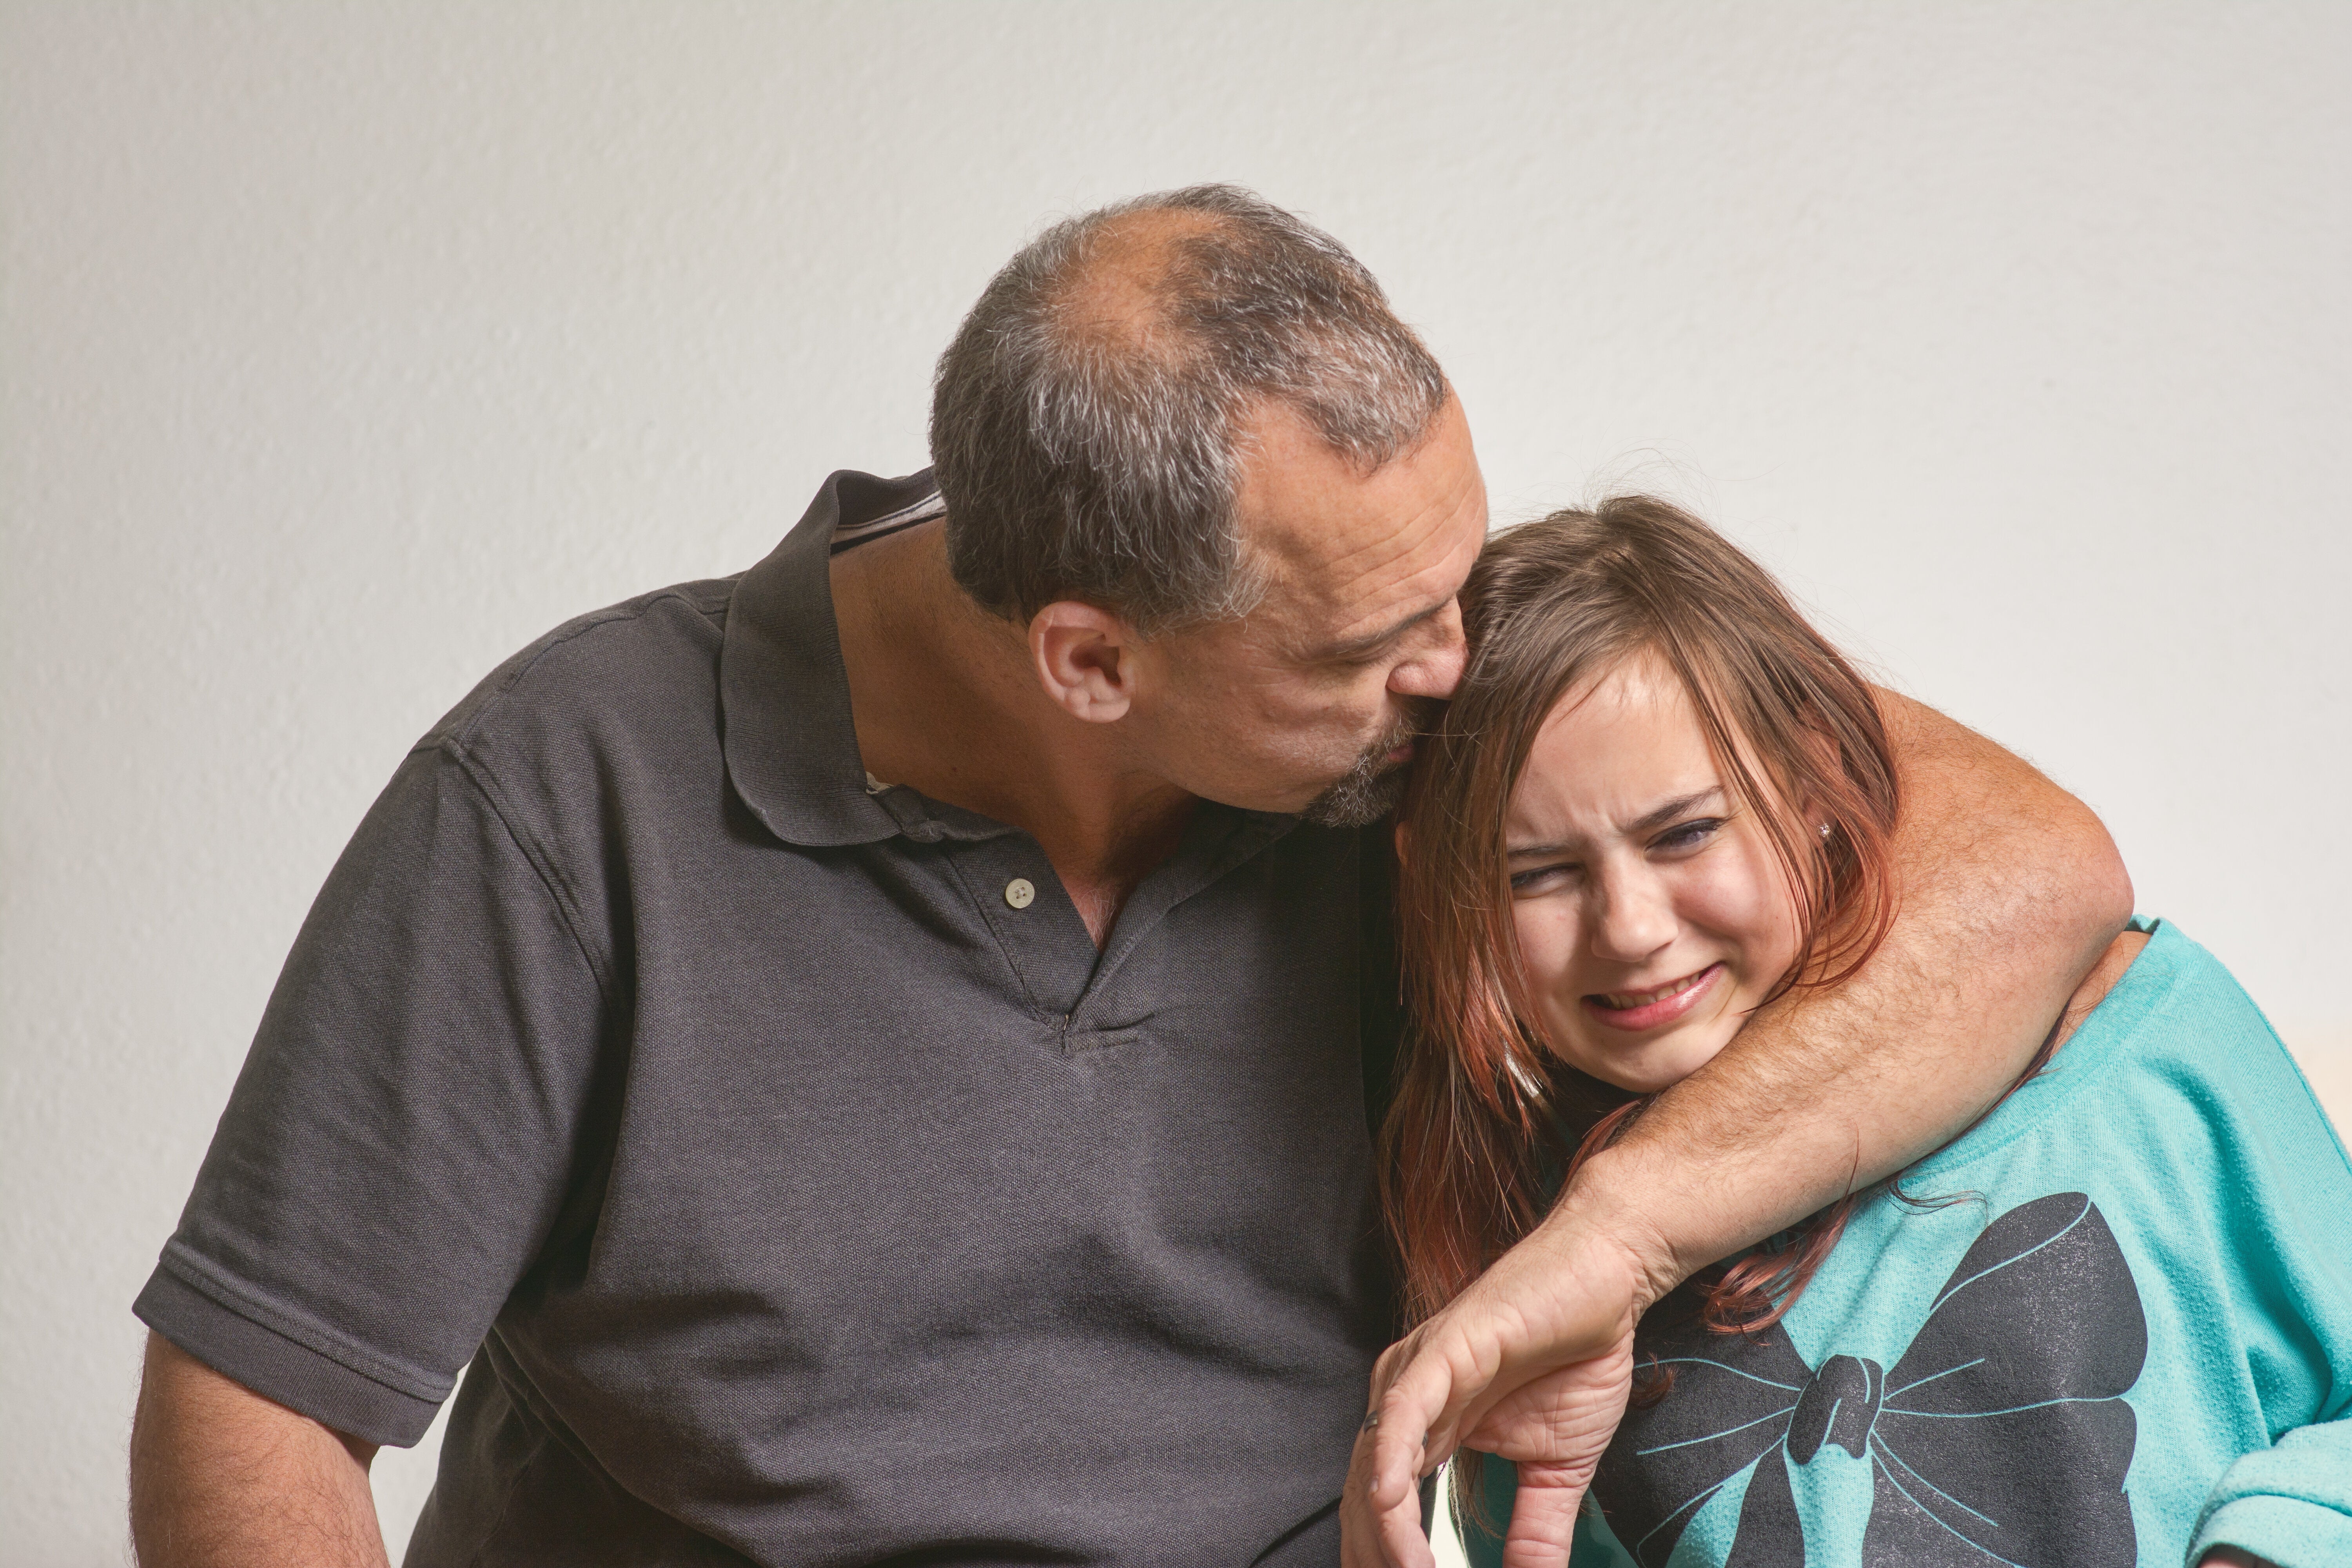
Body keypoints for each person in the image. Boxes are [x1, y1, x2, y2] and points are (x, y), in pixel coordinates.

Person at [127, 187, 2129, 1567]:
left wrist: (1612, 1236)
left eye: (1459, 579)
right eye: (1381, 645)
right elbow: (256, 1408)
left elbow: (2033, 864)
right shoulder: (567, 798)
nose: (1461, 670)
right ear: (1093, 662)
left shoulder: (1413, 701)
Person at [1355, 497, 2351, 1568]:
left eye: (1686, 832)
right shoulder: (1524, 1244)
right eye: (1535, 876)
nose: (1631, 930)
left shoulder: (2144, 1043)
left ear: (1813, 787)